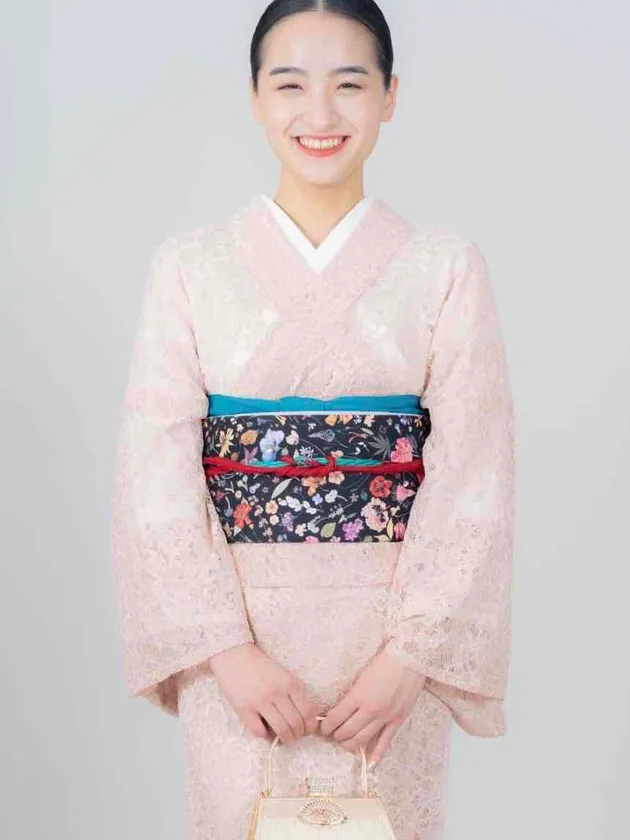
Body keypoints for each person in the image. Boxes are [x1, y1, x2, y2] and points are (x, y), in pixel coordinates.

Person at [109, 2, 516, 838]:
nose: (320, 114)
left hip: (391, 653)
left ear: (390, 96)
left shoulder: (443, 269)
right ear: (256, 97)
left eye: (350, 85)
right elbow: (153, 478)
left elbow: (475, 477)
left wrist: (411, 658)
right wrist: (228, 652)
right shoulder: (190, 269)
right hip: (238, 652)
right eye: (291, 85)